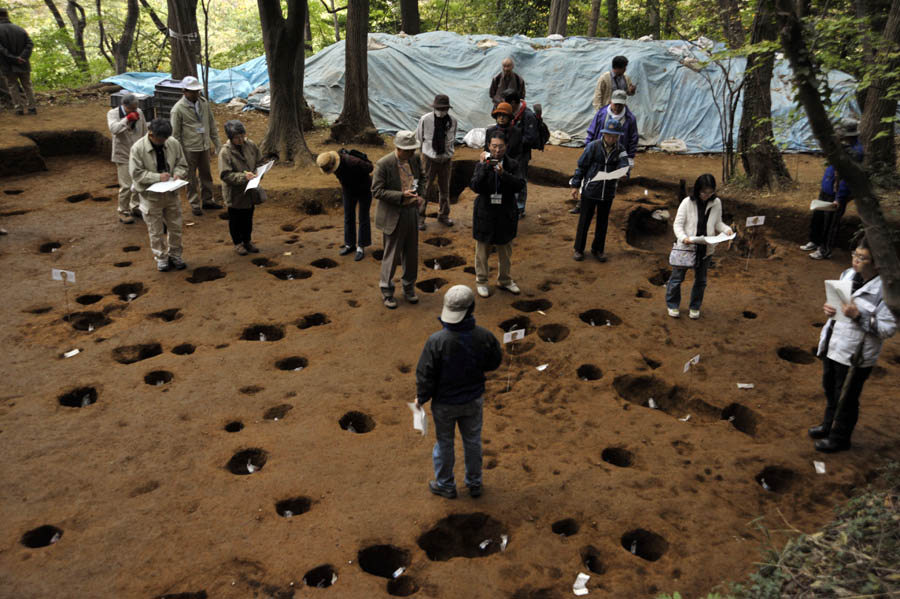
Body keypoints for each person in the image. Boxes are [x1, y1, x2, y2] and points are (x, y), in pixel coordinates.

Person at [415, 284, 503, 499]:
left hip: (444, 403)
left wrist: (422, 397)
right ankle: (474, 483)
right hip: (473, 399)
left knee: (444, 443)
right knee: (472, 440)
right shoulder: (484, 336)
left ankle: (445, 484)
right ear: (471, 309)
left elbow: (426, 374)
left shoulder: (436, 341)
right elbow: (494, 361)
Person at [809, 237, 896, 452]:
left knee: (846, 397)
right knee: (830, 389)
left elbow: (888, 328)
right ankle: (828, 425)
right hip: (834, 343)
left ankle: (840, 438)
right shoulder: (848, 274)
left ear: (876, 263)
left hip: (856, 354)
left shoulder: (887, 292)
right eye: (854, 255)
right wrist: (830, 308)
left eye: (862, 258)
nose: (855, 261)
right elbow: (837, 306)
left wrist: (859, 316)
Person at [664, 173, 734, 319]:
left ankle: (695, 307)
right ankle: (672, 304)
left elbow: (717, 223)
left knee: (701, 281)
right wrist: (684, 238)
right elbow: (677, 225)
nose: (706, 195)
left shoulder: (716, 203)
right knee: (677, 278)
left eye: (710, 192)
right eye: (703, 192)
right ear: (697, 189)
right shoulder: (687, 202)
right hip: (687, 248)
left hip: (706, 248)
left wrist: (726, 229)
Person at [129, 118, 189, 272]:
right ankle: (161, 257)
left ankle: (175, 255)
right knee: (155, 230)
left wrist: (178, 173)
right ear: (151, 134)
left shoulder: (173, 143)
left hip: (171, 193)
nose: (163, 142)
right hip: (150, 196)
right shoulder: (138, 149)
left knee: (175, 227)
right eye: (160, 139)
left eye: (165, 138)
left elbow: (182, 164)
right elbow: (136, 174)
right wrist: (157, 177)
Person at [471, 130, 526, 298]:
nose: (497, 151)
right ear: (488, 146)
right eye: (494, 146)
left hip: (505, 212)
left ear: (506, 147)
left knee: (505, 251)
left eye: (500, 147)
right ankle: (481, 281)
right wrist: (483, 167)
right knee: (482, 251)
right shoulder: (482, 164)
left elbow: (519, 185)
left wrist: (503, 173)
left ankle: (505, 280)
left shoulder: (513, 165)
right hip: (485, 212)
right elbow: (475, 186)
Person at [372, 130, 423, 309]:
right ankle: (387, 291)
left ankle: (409, 288)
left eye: (412, 149)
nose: (411, 153)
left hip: (411, 212)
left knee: (411, 254)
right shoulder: (384, 164)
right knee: (391, 255)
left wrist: (420, 195)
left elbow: (421, 178)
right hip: (394, 214)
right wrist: (401, 195)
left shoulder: (415, 159)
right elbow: (376, 191)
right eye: (407, 150)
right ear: (398, 148)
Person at [568, 118, 630, 263]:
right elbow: (581, 167)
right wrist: (575, 186)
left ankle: (598, 249)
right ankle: (579, 249)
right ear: (604, 133)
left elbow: (624, 166)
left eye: (614, 136)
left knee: (603, 223)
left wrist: (624, 174)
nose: (611, 138)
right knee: (584, 221)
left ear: (618, 136)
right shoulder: (593, 147)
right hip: (590, 190)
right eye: (609, 135)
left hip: (607, 192)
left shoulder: (620, 150)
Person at [801, 119, 864, 260]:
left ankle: (825, 249)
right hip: (827, 187)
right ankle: (815, 241)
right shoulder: (841, 146)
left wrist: (839, 198)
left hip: (838, 193)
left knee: (830, 222)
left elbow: (848, 177)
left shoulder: (856, 151)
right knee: (818, 217)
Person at [574, 89, 640, 214]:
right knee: (589, 178)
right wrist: (588, 147)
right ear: (611, 101)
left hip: (615, 155)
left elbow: (633, 139)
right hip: (597, 152)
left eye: (620, 105)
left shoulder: (630, 119)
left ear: (625, 103)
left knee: (609, 181)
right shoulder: (602, 113)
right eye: (616, 104)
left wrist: (629, 158)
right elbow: (592, 131)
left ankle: (602, 207)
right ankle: (582, 204)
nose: (617, 107)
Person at [171, 75, 221, 216]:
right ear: (184, 91)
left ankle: (208, 200)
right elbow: (176, 134)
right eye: (192, 91)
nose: (195, 94)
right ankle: (194, 204)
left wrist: (217, 144)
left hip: (204, 146)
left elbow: (211, 124)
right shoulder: (178, 109)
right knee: (190, 177)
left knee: (206, 174)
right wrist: (179, 154)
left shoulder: (204, 103)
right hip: (188, 149)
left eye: (197, 91)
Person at [218, 120, 266, 256]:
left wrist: (259, 173)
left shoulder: (250, 145)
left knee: (248, 216)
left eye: (242, 136)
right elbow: (225, 174)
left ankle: (247, 241)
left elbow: (259, 160)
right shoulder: (225, 152)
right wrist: (243, 177)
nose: (240, 139)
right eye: (237, 137)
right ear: (230, 138)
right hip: (235, 192)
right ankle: (237, 243)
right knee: (235, 218)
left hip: (250, 190)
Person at [318, 149, 373, 261]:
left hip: (364, 189)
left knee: (363, 217)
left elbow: (370, 168)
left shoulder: (354, 162)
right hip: (348, 190)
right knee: (348, 217)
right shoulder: (332, 166)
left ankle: (361, 247)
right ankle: (350, 244)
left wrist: (359, 176)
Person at [415, 94, 458, 230]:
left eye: (444, 108)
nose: (441, 111)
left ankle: (443, 215)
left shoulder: (453, 121)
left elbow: (453, 138)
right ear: (434, 108)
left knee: (445, 188)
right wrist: (423, 154)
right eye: (439, 108)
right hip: (429, 158)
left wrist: (447, 153)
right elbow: (419, 138)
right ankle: (420, 217)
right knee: (425, 188)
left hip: (445, 159)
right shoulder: (425, 120)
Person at [107, 94, 148, 224]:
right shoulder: (113, 113)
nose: (135, 111)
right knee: (126, 185)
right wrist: (126, 119)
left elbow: (144, 131)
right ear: (124, 106)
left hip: (137, 153)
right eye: (132, 109)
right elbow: (114, 129)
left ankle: (135, 206)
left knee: (138, 182)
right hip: (122, 154)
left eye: (136, 108)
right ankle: (123, 211)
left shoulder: (139, 112)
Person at [503, 90, 540, 218]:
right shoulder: (512, 113)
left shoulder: (528, 116)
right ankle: (510, 205)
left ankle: (519, 208)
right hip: (510, 153)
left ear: (513, 103)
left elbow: (530, 138)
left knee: (520, 179)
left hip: (521, 155)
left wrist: (514, 142)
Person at [0, 7, 36, 116]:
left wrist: (14, 58)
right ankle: (32, 108)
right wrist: (22, 57)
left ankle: (19, 109)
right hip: (23, 64)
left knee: (12, 86)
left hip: (8, 65)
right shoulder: (20, 29)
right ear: (7, 15)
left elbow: (1, 49)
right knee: (27, 85)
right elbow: (30, 44)